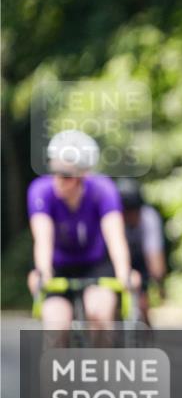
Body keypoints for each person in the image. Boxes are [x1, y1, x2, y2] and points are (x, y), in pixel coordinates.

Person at [27, 130, 132, 332]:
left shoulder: (103, 189)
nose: (58, 180)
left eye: (66, 175)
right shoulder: (40, 190)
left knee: (99, 314)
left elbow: (116, 237)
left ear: (83, 174)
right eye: (54, 171)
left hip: (96, 264)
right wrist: (43, 271)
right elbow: (42, 239)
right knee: (56, 325)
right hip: (58, 265)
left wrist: (124, 272)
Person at [115, 177, 167, 324]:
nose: (129, 216)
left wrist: (159, 284)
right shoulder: (111, 217)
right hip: (114, 260)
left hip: (140, 259)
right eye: (126, 212)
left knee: (142, 304)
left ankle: (146, 328)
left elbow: (155, 256)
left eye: (133, 211)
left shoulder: (149, 217)